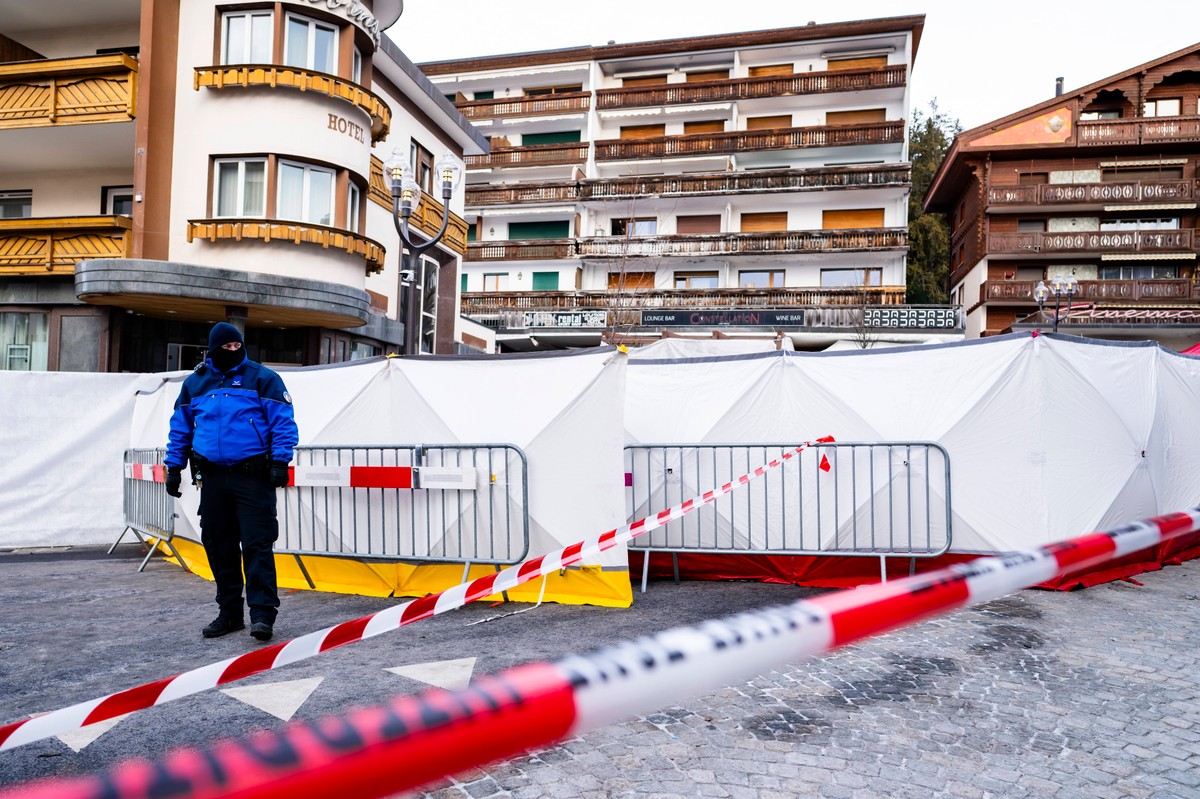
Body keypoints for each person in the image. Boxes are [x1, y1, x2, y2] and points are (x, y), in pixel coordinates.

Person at [164, 322, 298, 642]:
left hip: (253, 476)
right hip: (212, 478)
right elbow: (180, 428)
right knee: (219, 545)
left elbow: (282, 423)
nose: (233, 351)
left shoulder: (262, 378)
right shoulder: (196, 383)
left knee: (256, 545)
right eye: (226, 347)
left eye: (238, 346)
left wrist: (280, 461)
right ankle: (230, 614)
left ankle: (262, 615)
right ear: (213, 349)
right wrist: (174, 467)